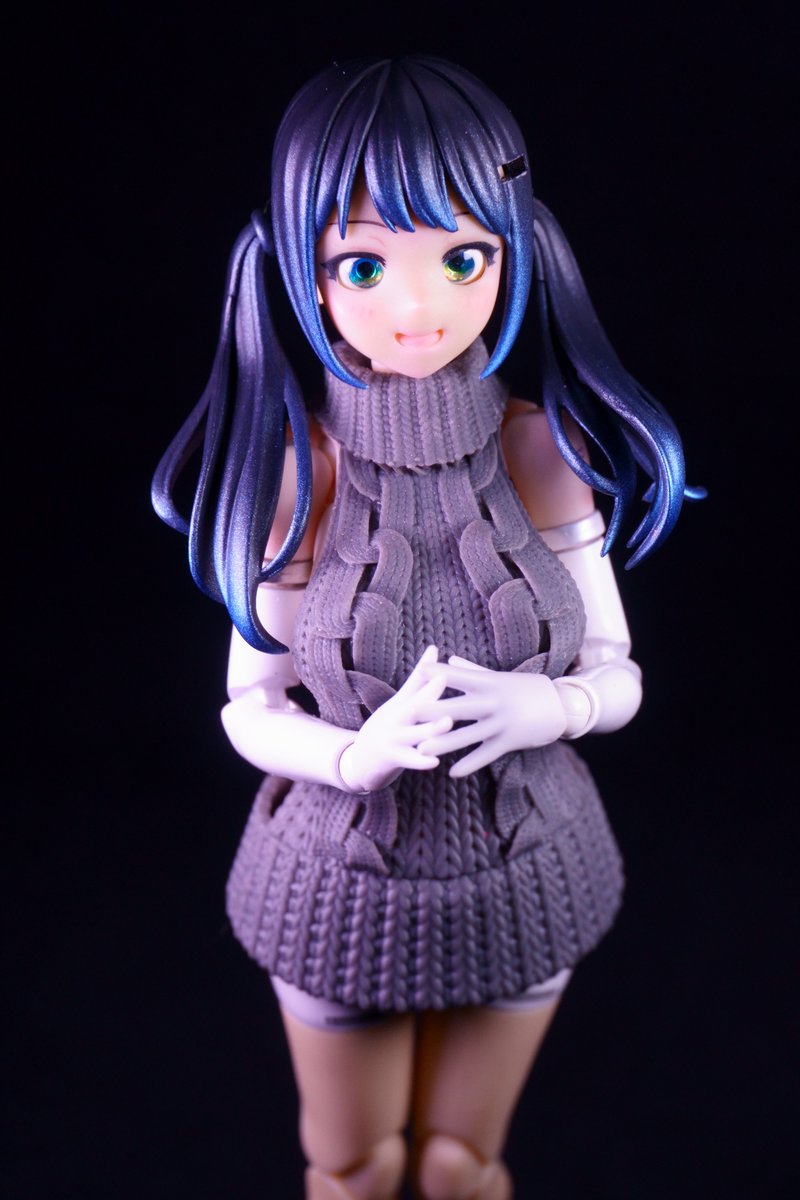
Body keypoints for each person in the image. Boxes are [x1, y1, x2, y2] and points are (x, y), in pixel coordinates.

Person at [153, 55, 700, 1200]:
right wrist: (352, 757)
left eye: (461, 259)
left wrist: (549, 705)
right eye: (362, 265)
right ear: (303, 272)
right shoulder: (298, 473)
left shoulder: (539, 450)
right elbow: (249, 705)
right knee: (351, 1166)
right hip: (338, 884)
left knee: (461, 1166)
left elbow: (617, 670)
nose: (417, 308)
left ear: (512, 249)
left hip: (525, 869)